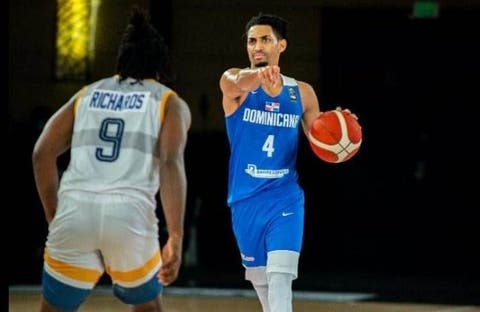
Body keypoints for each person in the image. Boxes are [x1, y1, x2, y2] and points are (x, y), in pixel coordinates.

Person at [32, 7, 191, 312]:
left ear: (121, 63)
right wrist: (176, 235)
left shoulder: (87, 94)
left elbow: (42, 153)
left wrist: (55, 215)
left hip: (75, 209)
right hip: (129, 216)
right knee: (147, 306)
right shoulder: (168, 101)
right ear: (159, 70)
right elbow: (171, 164)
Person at [219, 13, 357, 312]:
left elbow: (319, 140)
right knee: (264, 286)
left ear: (281, 45)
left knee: (280, 279)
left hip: (285, 197)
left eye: (265, 39)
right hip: (245, 200)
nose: (257, 46)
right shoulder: (234, 82)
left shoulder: (302, 92)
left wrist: (341, 132)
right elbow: (235, 83)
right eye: (252, 40)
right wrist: (258, 77)